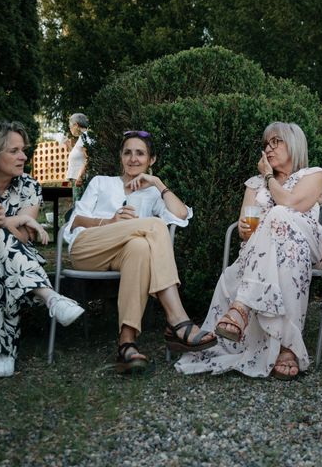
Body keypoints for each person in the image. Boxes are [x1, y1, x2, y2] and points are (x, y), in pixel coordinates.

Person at [175, 122, 322, 380]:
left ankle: (241, 308)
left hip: (306, 243)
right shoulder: (254, 184)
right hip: (266, 253)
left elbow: (290, 203)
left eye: (275, 142)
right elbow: (245, 228)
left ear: (294, 143)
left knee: (280, 213)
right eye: (266, 144)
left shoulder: (313, 175)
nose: (268, 149)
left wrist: (269, 178)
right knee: (283, 256)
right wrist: (247, 229)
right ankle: (287, 349)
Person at [62, 130, 216, 373]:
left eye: (140, 153)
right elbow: (75, 221)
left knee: (140, 247)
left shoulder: (152, 193)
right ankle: (177, 319)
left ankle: (127, 344)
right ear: (121, 157)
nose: (133, 159)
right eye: (128, 153)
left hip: (122, 255)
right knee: (155, 226)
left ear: (151, 160)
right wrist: (110, 222)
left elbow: (181, 215)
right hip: (89, 248)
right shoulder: (102, 182)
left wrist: (157, 183)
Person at [0, 121, 85, 377]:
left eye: (23, 150)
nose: (23, 156)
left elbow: (22, 236)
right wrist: (16, 220)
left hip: (6, 259)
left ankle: (2, 353)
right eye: (14, 151)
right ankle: (49, 297)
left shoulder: (29, 185)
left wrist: (13, 223)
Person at [67, 113, 91, 202]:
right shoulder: (82, 137)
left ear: (76, 125)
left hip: (81, 179)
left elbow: (88, 158)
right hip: (77, 178)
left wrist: (80, 177)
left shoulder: (85, 136)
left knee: (79, 207)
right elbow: (79, 157)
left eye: (70, 126)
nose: (70, 129)